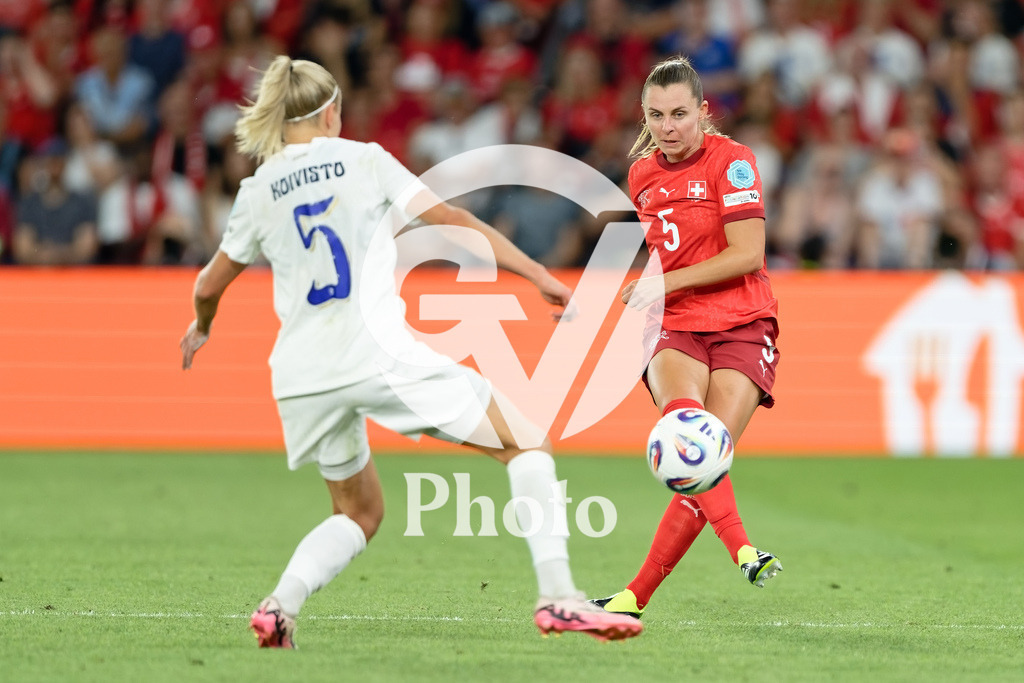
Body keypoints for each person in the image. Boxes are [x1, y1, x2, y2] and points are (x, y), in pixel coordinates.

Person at [178, 56, 643, 648]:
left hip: (301, 375)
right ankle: (559, 597)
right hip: (375, 356)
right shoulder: (365, 159)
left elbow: (208, 285)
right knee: (526, 441)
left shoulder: (256, 189)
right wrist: (534, 273)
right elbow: (449, 218)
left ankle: (279, 607)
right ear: (329, 113)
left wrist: (201, 326)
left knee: (358, 513)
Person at [590, 56, 782, 621]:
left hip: (743, 321)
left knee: (706, 458)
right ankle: (743, 548)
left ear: (703, 111)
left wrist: (661, 282)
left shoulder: (734, 162)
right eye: (655, 116)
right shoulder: (642, 174)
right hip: (676, 321)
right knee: (685, 432)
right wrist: (662, 290)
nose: (667, 126)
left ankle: (633, 597)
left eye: (678, 113)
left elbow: (748, 254)